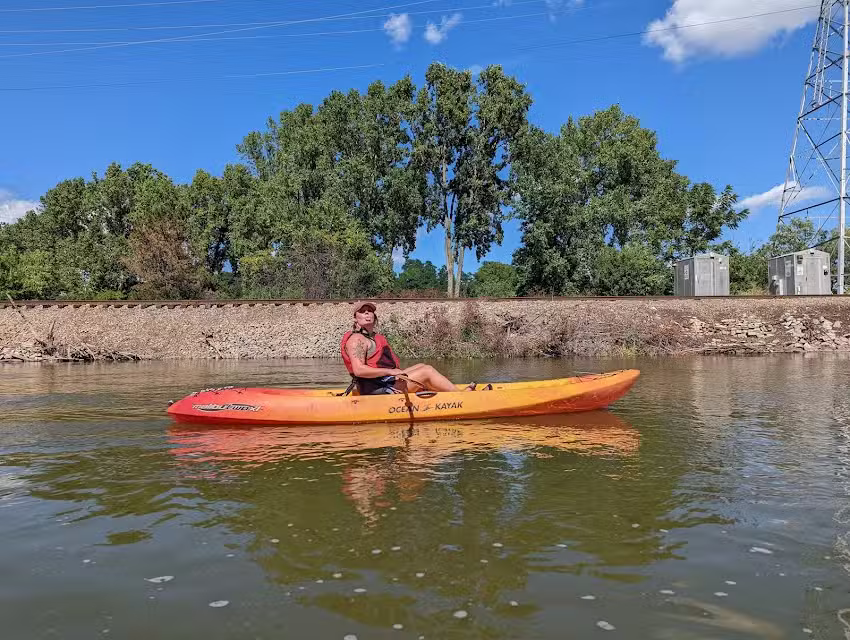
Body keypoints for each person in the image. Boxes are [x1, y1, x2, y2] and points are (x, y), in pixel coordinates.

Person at [340, 301, 478, 395]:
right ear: (355, 318)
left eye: (370, 311)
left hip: (382, 383)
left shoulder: (372, 338)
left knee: (422, 365)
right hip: (376, 389)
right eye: (362, 311)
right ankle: (461, 397)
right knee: (426, 371)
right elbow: (359, 370)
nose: (367, 314)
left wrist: (392, 373)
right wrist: (389, 371)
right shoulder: (357, 340)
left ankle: (447, 393)